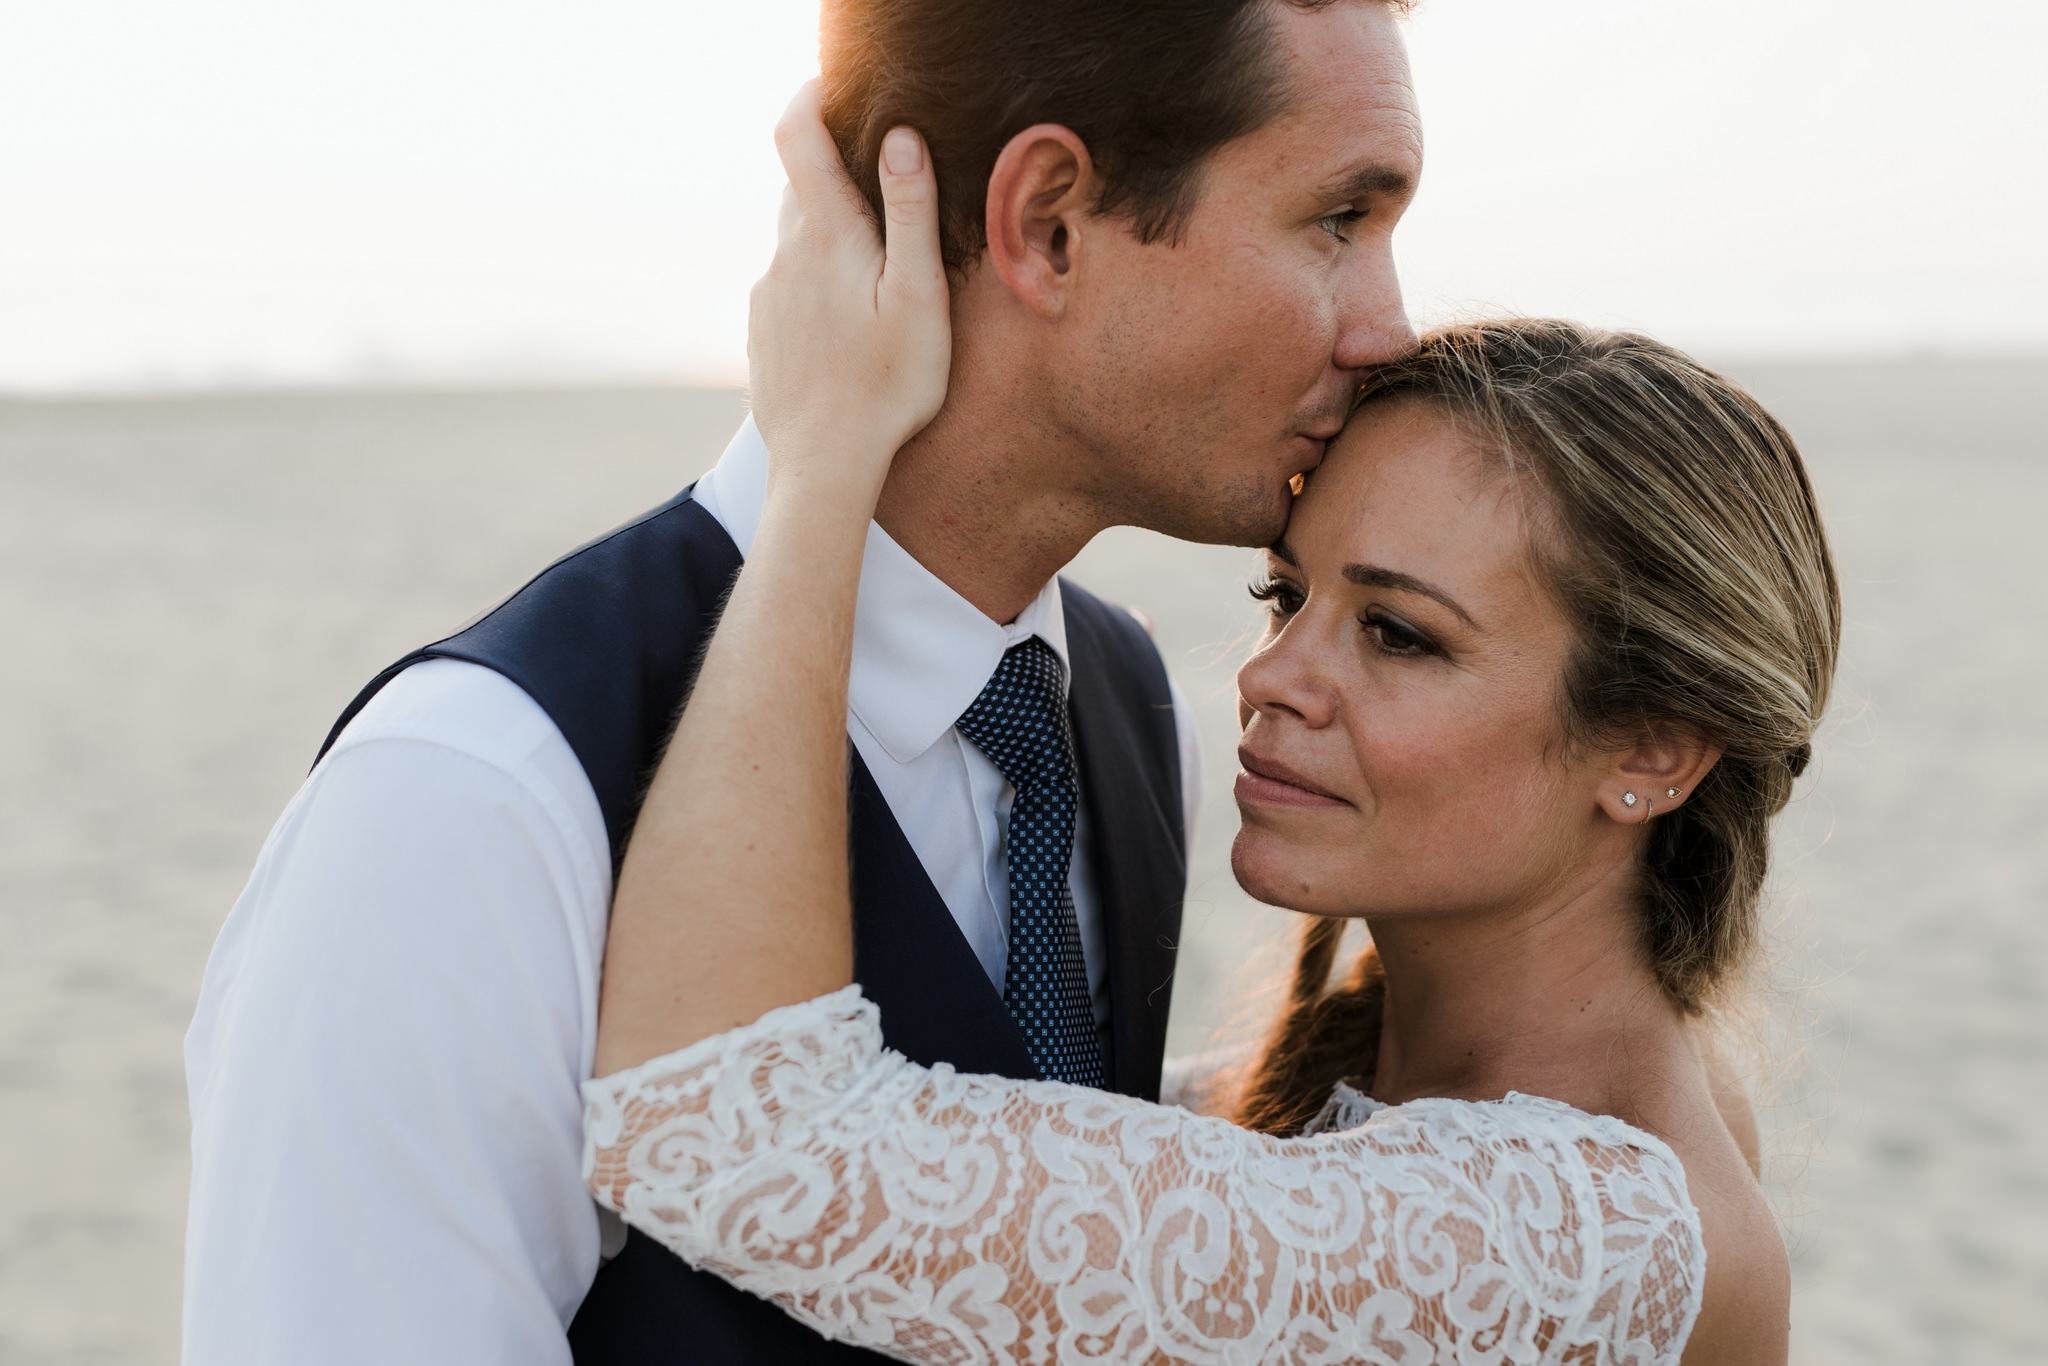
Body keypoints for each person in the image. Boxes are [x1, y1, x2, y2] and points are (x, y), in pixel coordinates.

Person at [181, 2, 1421, 1361]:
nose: (1390, 328)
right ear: (1049, 223)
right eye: (1339, 222)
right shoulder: (471, 799)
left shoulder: (1131, 710)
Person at [572, 87, 1837, 1366]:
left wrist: (823, 447)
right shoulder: (1364, 1096)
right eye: (1286, 593)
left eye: (1397, 633)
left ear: (1653, 750)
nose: (1272, 676)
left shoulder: (1584, 1237)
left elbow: (731, 1134)